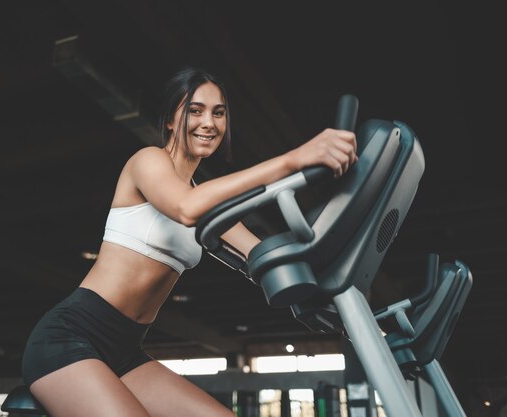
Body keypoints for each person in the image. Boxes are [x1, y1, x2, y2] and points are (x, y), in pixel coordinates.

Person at [20, 66, 358, 417]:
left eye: (218, 112)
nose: (208, 122)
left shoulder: (206, 199)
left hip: (124, 351)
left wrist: (341, 299)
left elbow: (265, 255)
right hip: (68, 338)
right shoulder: (148, 162)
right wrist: (292, 160)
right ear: (170, 119)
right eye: (195, 111)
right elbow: (185, 208)